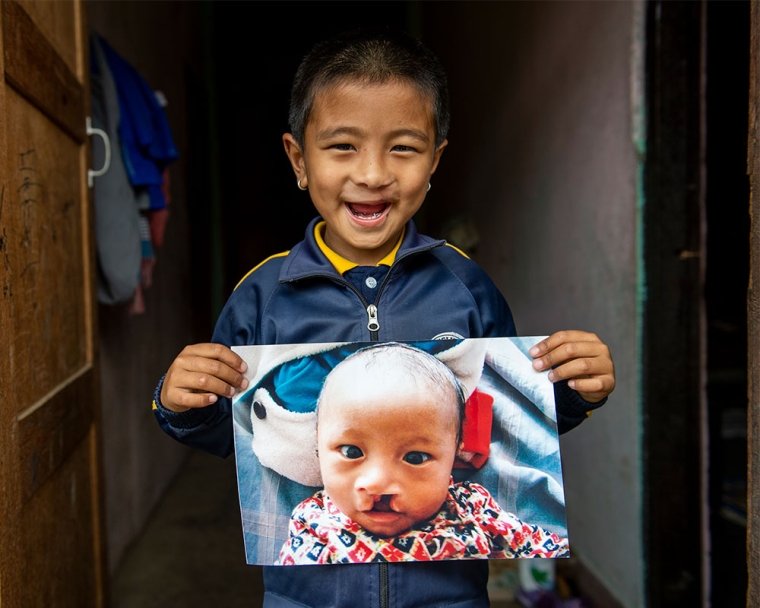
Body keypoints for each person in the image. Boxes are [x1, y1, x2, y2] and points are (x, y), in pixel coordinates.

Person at [153, 28, 615, 608]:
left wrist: (570, 392)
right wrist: (182, 404)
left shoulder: (466, 286)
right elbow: (239, 435)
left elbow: (499, 427)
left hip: (449, 597)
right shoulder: (263, 296)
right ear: (299, 158)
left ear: (435, 160)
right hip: (307, 598)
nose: (372, 174)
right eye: (342, 146)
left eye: (402, 147)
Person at [277, 342, 569, 565]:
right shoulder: (313, 521)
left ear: (456, 453)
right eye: (351, 452)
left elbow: (543, 547)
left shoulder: (471, 508)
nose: (377, 483)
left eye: (415, 457)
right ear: (317, 445)